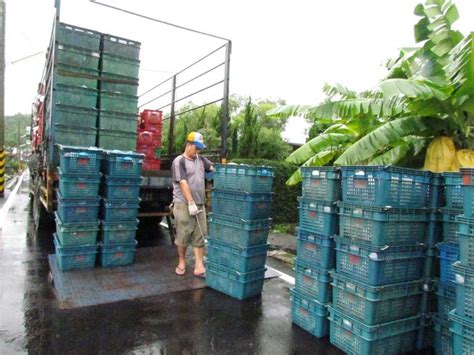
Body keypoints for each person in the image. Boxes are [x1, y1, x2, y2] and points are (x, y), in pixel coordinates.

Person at [171, 132, 213, 277]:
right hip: (183, 204)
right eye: (197, 148)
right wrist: (190, 203)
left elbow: (213, 168)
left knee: (199, 235)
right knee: (183, 234)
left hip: (200, 204)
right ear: (189, 145)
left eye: (200, 148)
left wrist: (228, 168)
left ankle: (199, 266)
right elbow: (182, 182)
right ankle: (182, 262)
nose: (198, 151)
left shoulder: (201, 160)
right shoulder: (179, 161)